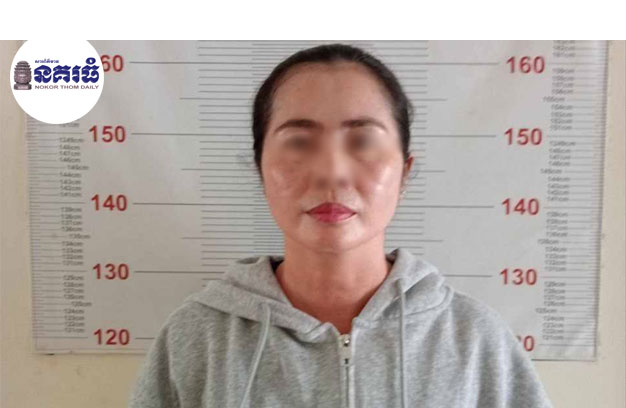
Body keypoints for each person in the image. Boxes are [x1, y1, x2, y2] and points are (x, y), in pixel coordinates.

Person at [128, 43, 554, 408]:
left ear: (405, 172)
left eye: (362, 141)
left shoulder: (476, 341)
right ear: (259, 169)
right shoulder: (197, 337)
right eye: (300, 142)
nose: (332, 173)